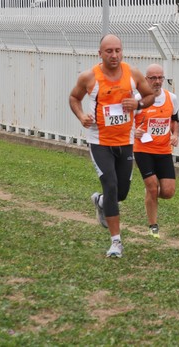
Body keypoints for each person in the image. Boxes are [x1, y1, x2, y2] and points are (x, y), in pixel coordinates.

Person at [69, 34, 155, 258]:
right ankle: (116, 242)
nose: (114, 55)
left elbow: (149, 96)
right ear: (100, 53)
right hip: (100, 141)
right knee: (110, 184)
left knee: (121, 193)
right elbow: (73, 98)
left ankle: (100, 201)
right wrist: (81, 116)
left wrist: (138, 103)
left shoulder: (133, 74)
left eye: (118, 50)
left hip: (125, 141)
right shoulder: (89, 77)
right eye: (109, 51)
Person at [133, 64, 179, 238]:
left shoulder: (172, 98)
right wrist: (134, 132)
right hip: (143, 149)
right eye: (153, 78)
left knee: (168, 192)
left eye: (160, 77)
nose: (157, 81)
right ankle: (153, 225)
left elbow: (175, 119)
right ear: (146, 79)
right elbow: (127, 122)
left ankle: (149, 194)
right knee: (153, 187)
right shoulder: (138, 99)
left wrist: (175, 134)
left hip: (163, 150)